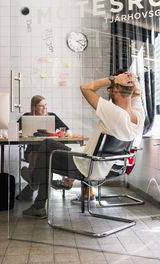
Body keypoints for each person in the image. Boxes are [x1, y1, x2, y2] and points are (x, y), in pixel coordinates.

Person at [21, 71, 145, 218]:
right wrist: (132, 82)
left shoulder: (115, 113)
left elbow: (85, 88)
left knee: (47, 145)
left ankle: (36, 185)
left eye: (111, 88)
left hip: (86, 167)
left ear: (115, 90)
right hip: (99, 165)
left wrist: (112, 79)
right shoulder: (139, 115)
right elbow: (137, 95)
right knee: (49, 150)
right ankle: (37, 196)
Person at [18, 95, 72, 184]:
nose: (45, 108)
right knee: (37, 154)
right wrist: (21, 134)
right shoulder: (27, 116)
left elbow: (69, 132)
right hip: (32, 151)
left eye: (45, 105)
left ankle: (33, 179)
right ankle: (38, 181)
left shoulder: (52, 116)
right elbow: (13, 131)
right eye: (41, 106)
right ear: (34, 107)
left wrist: (62, 134)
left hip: (49, 152)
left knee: (41, 154)